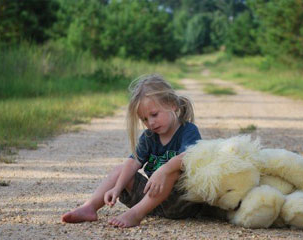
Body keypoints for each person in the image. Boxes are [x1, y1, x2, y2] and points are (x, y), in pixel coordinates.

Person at [62, 74, 205, 228]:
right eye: (144, 119)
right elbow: (133, 163)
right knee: (122, 169)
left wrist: (164, 170)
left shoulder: (187, 130)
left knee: (173, 171)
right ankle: (89, 207)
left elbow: (189, 156)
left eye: (154, 114)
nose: (150, 122)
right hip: (150, 201)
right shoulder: (149, 136)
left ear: (172, 105)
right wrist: (117, 187)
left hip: (180, 203)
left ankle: (136, 214)